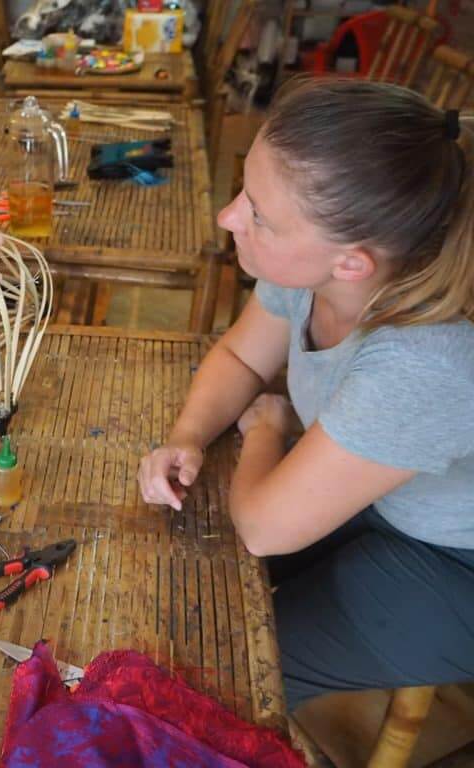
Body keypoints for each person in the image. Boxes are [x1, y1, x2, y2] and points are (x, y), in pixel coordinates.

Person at [137, 78, 474, 710]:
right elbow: (241, 356)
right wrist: (188, 434)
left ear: (351, 263)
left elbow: (264, 528)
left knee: (224, 672)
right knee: (179, 576)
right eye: (245, 192)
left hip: (457, 561)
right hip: (389, 503)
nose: (229, 217)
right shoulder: (312, 271)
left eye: (257, 215)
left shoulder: (425, 360)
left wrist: (268, 429)